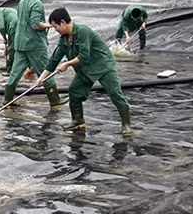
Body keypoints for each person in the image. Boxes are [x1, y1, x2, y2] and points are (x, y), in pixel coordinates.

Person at [36, 8, 132, 136]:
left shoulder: (82, 31)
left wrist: (67, 64)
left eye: (55, 27)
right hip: (85, 70)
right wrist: (42, 78)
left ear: (63, 22)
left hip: (103, 65)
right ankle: (77, 120)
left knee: (115, 94)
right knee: (74, 90)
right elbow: (54, 60)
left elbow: (84, 56)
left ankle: (126, 125)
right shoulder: (64, 39)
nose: (55, 30)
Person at [4, 0, 67, 109]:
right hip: (34, 44)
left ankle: (7, 100)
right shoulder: (36, 3)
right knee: (45, 69)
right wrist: (51, 24)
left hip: (21, 43)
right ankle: (55, 100)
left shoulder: (23, 1)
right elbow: (35, 24)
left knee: (15, 72)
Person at [0, 3, 18, 74]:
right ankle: (11, 66)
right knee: (16, 47)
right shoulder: (9, 10)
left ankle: (10, 69)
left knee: (12, 49)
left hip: (14, 26)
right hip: (22, 27)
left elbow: (1, 26)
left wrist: (4, 37)